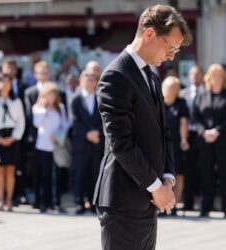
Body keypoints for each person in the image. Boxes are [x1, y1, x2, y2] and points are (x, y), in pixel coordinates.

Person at [93, 4, 192, 249]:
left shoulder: (151, 77)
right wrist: (156, 187)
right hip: (123, 201)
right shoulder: (116, 76)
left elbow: (164, 133)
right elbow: (121, 143)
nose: (171, 56)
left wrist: (167, 179)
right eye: (170, 47)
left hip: (147, 200)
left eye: (176, 51)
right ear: (149, 34)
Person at [0, 74, 25, 211]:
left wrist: (14, 137)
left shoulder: (16, 101)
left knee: (11, 170)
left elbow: (21, 121)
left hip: (12, 137)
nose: (5, 84)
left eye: (8, 81)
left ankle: (9, 200)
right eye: (2, 81)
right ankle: (0, 200)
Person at [194, 63, 226, 217]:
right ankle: (206, 207)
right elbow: (196, 117)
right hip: (205, 141)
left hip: (223, 141)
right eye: (214, 75)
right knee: (206, 174)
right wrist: (204, 132)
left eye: (220, 75)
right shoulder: (201, 96)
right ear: (209, 78)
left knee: (224, 174)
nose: (217, 78)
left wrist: (217, 131)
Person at [32, 82, 68, 212]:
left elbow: (65, 125)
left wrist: (58, 135)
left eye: (52, 94)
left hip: (56, 145)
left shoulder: (61, 108)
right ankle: (43, 203)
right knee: (44, 175)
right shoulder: (38, 108)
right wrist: (44, 108)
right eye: (48, 94)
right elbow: (37, 124)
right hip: (43, 146)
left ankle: (56, 202)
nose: (50, 97)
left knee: (57, 175)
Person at [72, 69, 104, 214]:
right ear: (81, 80)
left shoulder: (100, 97)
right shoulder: (76, 99)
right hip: (81, 143)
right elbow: (75, 120)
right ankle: (79, 202)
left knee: (95, 173)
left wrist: (97, 132)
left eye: (93, 78)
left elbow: (104, 118)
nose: (90, 80)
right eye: (87, 77)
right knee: (80, 173)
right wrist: (87, 134)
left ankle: (93, 202)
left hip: (97, 142)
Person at [162, 76, 189, 215]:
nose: (172, 89)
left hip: (176, 144)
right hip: (161, 143)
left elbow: (183, 124)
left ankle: (174, 205)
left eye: (175, 87)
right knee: (161, 173)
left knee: (177, 174)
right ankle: (161, 205)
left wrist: (184, 140)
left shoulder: (181, 103)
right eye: (169, 86)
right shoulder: (159, 102)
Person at [179, 65, 205, 210]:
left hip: (202, 135)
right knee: (187, 170)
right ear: (189, 76)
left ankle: (205, 203)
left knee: (204, 169)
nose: (195, 77)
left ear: (202, 76)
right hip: (187, 136)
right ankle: (188, 203)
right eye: (192, 74)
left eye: (197, 74)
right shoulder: (183, 93)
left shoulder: (208, 92)